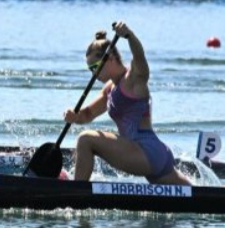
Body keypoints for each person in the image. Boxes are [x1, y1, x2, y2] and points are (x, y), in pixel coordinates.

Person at [63, 21, 190, 185]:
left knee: (85, 139)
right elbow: (87, 114)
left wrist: (129, 36)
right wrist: (73, 116)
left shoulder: (133, 79)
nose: (93, 74)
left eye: (95, 67)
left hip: (146, 151)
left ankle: (75, 194)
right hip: (151, 156)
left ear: (110, 59)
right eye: (90, 70)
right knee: (201, 198)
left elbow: (140, 58)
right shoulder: (110, 89)